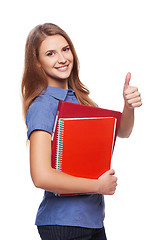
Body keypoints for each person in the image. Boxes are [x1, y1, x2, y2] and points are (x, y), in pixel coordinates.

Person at [21, 23, 142, 240]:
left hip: (91, 220)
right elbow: (40, 176)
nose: (62, 58)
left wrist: (128, 106)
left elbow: (122, 131)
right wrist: (98, 185)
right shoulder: (43, 105)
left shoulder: (78, 100)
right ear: (37, 63)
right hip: (64, 224)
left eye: (65, 49)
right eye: (50, 53)